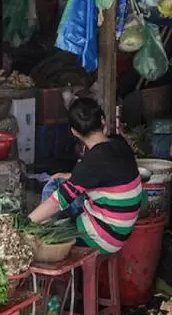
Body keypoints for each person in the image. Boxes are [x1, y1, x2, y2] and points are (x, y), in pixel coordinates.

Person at [28, 97, 143, 254]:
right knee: (59, 182)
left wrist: (25, 223)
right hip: (121, 231)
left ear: (74, 132)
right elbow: (107, 175)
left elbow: (57, 202)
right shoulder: (119, 144)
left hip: (102, 239)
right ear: (103, 120)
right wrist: (70, 176)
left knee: (52, 191)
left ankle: (45, 239)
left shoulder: (91, 163)